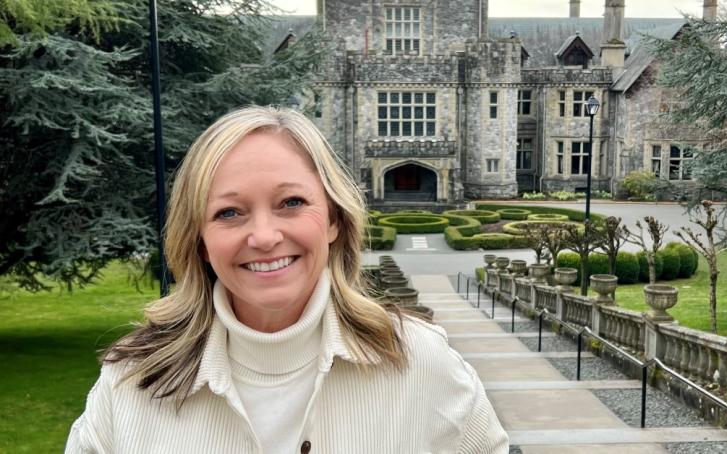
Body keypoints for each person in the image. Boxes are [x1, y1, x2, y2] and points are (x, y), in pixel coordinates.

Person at [65, 106, 508, 453]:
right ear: (200, 240)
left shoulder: (422, 364)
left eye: (291, 202)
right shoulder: (131, 381)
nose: (263, 237)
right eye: (229, 213)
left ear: (334, 219)